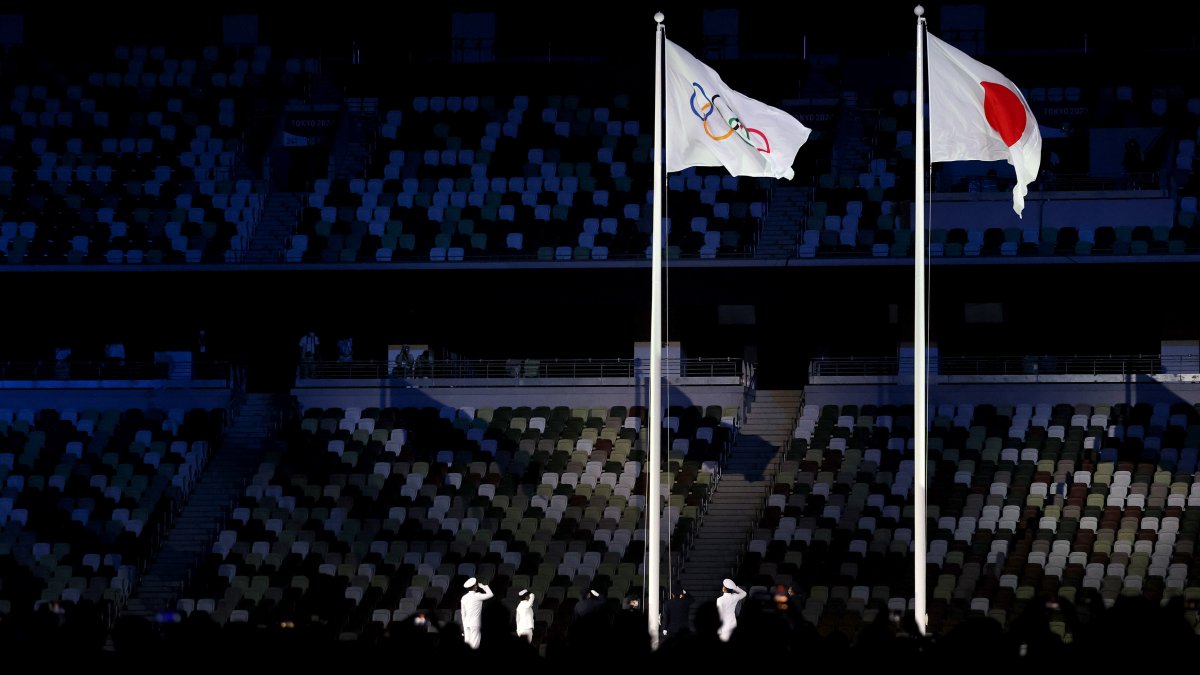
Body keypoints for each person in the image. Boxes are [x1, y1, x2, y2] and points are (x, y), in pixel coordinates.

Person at [459, 577, 493, 650]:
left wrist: (464, 624)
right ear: (474, 586)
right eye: (476, 585)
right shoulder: (477, 595)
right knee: (474, 645)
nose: (477, 586)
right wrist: (483, 586)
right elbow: (491, 594)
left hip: (466, 623)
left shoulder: (464, 597)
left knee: (467, 644)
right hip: (475, 623)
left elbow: (463, 613)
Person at [716, 578, 746, 643]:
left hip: (724, 625)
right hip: (733, 623)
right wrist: (735, 587)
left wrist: (718, 629)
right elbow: (744, 593)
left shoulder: (720, 599)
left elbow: (720, 614)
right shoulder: (735, 596)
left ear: (724, 588)